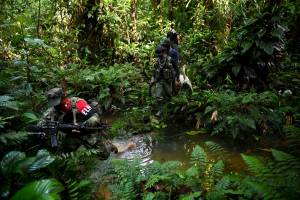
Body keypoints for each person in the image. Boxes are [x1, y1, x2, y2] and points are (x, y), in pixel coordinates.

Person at [40, 87, 117, 157]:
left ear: (63, 98)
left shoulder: (78, 103)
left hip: (87, 132)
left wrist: (81, 126)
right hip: (72, 135)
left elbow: (95, 118)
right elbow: (43, 121)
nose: (56, 106)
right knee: (62, 155)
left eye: (58, 102)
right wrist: (41, 129)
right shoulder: (53, 110)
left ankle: (109, 145)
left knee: (103, 155)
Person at [150, 45, 175, 118]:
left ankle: (170, 107)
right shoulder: (157, 61)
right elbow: (154, 72)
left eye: (160, 53)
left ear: (163, 52)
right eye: (157, 54)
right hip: (159, 80)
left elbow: (175, 70)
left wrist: (176, 79)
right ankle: (160, 110)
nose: (159, 55)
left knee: (169, 94)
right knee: (158, 96)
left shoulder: (170, 60)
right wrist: (152, 80)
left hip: (168, 80)